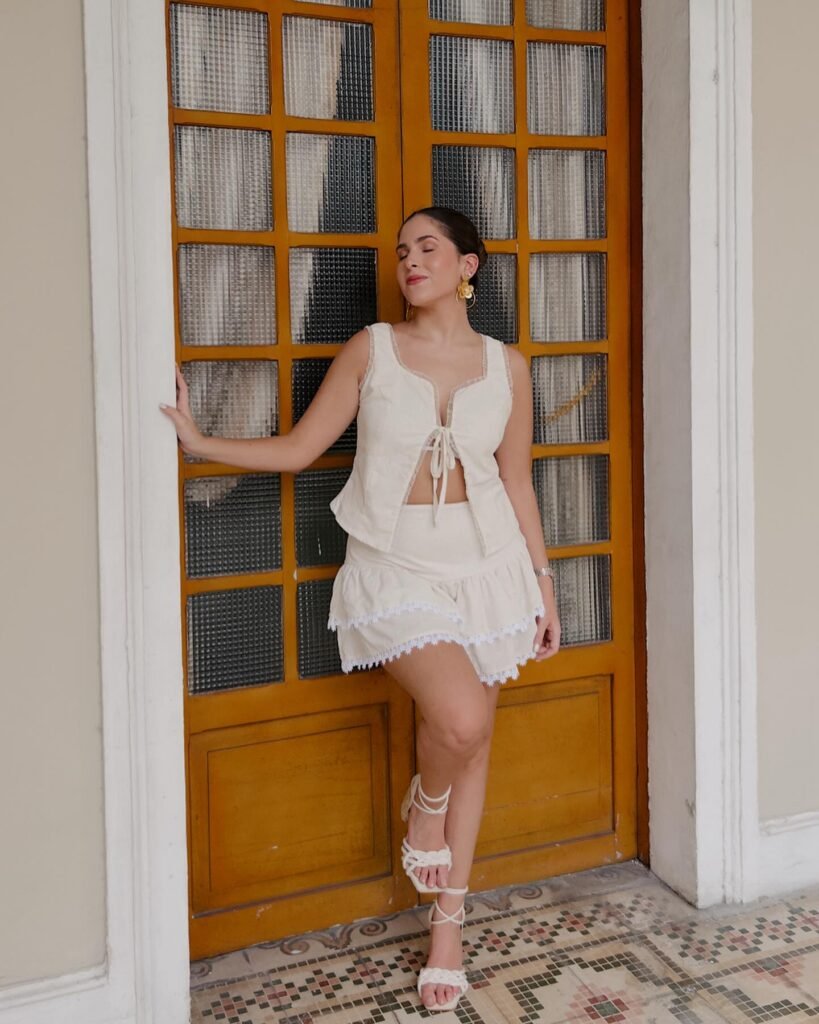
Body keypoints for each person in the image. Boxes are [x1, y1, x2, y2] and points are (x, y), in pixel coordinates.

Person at [161, 206, 561, 1012]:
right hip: (395, 560)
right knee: (458, 723)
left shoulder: (507, 366)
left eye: (428, 248)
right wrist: (203, 443)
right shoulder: (372, 349)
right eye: (403, 251)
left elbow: (515, 480)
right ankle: (426, 806)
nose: (410, 262)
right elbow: (303, 448)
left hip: (488, 566)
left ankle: (448, 927)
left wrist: (545, 586)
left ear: (467, 266)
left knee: (475, 740)